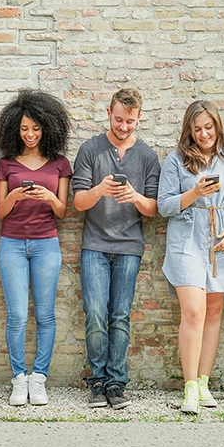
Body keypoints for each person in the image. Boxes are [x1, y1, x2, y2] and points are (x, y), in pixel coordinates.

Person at [72, 88, 160, 410]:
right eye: (119, 119)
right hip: (94, 244)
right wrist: (99, 189)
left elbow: (153, 209)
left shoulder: (148, 156)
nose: (123, 127)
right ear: (108, 113)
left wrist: (135, 196)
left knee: (120, 315)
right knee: (95, 314)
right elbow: (78, 202)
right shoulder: (90, 149)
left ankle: (116, 382)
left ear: (140, 118)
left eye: (130, 121)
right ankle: (96, 381)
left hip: (129, 246)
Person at [158, 100, 224, 414]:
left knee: (213, 312)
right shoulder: (175, 161)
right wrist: (195, 193)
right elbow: (164, 206)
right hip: (186, 238)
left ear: (217, 127)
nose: (204, 134)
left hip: (221, 237)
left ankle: (205, 380)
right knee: (193, 312)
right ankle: (190, 387)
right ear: (189, 131)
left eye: (208, 127)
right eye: (197, 129)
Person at [0, 90, 71, 406]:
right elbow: (0, 212)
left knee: (44, 315)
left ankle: (38, 378)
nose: (29, 134)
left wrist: (48, 197)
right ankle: (19, 379)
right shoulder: (6, 164)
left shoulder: (60, 164)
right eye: (24, 128)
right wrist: (14, 197)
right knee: (15, 316)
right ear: (15, 128)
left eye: (36, 128)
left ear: (48, 128)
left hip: (46, 244)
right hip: (12, 244)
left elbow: (63, 211)